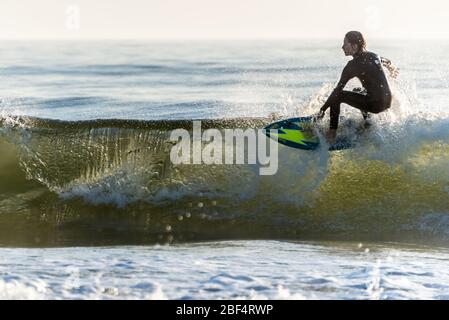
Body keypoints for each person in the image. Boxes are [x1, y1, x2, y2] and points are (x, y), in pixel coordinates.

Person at [316, 31, 399, 142]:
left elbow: (337, 91)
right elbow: (387, 62)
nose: (342, 47)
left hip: (375, 104)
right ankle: (368, 124)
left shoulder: (352, 66)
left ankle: (332, 133)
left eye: (345, 43)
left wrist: (322, 111)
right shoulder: (374, 56)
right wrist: (392, 70)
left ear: (354, 46)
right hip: (387, 102)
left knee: (339, 96)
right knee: (358, 90)